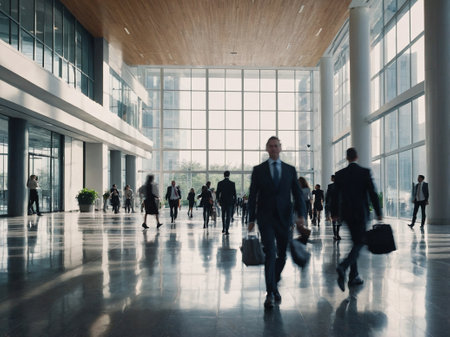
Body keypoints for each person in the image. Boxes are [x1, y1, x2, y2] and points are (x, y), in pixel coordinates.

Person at [248, 136, 307, 309]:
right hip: (265, 219)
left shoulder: (290, 170)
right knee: (270, 251)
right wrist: (251, 218)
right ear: (267, 148)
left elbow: (297, 194)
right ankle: (270, 292)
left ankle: (273, 282)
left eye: (276, 146)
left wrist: (301, 215)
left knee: (282, 254)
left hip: (284, 219)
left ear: (280, 148)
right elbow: (252, 195)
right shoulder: (258, 170)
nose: (273, 149)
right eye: (270, 146)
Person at [330, 148, 382, 292]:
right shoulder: (364, 172)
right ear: (357, 157)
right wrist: (378, 212)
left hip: (346, 214)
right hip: (361, 213)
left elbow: (334, 195)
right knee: (359, 242)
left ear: (347, 158)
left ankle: (354, 275)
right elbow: (373, 193)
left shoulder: (340, 174)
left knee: (355, 242)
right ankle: (344, 266)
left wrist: (334, 213)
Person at [216, 170, 237, 235]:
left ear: (224, 175)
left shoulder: (220, 183)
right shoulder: (232, 183)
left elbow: (217, 193)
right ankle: (227, 230)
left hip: (223, 202)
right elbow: (234, 194)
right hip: (230, 202)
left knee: (223, 215)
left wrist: (218, 200)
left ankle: (223, 228)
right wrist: (235, 202)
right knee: (228, 216)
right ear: (229, 175)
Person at [325, 175, 342, 240]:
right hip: (339, 205)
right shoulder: (341, 185)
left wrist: (327, 204)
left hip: (333, 205)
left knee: (334, 220)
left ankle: (335, 234)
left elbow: (327, 196)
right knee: (339, 220)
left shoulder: (330, 186)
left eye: (331, 178)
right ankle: (337, 234)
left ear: (333, 179)